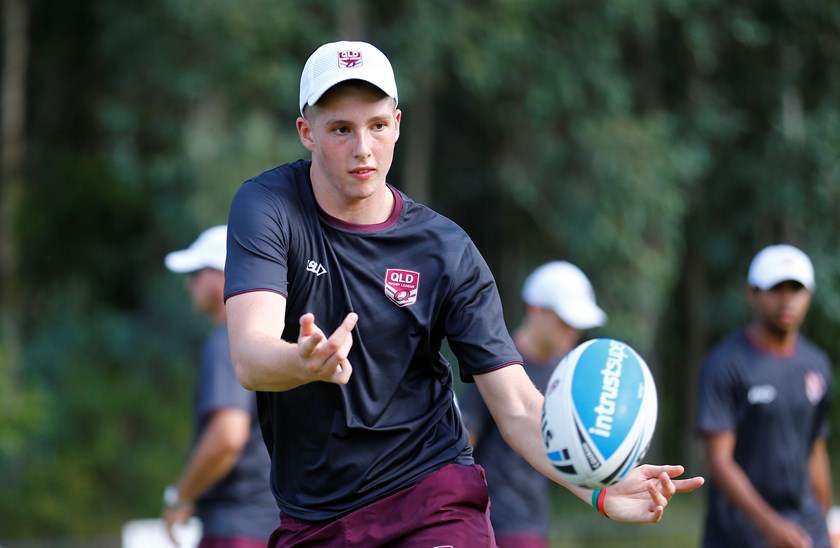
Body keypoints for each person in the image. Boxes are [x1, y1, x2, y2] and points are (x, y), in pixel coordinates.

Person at [223, 40, 704, 547]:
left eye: (377, 126)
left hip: (430, 497)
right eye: (341, 129)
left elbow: (517, 407)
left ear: (398, 125)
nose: (363, 147)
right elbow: (251, 355)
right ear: (307, 133)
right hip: (315, 518)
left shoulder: (446, 250)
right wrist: (303, 361)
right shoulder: (267, 206)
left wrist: (599, 486)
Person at [460, 260, 607, 548]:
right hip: (495, 525)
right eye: (565, 321)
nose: (572, 332)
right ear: (536, 309)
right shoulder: (497, 366)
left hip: (536, 524)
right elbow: (466, 440)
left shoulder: (565, 373)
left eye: (578, 325)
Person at [695, 244, 833, 548]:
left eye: (795, 289)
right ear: (752, 293)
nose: (787, 299)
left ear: (808, 296)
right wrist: (770, 525)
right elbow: (718, 459)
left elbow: (815, 449)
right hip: (739, 534)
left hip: (805, 530)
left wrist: (823, 524)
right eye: (775, 289)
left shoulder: (817, 364)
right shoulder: (725, 365)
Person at [162, 225, 277, 548]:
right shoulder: (274, 340)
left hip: (236, 528)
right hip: (278, 524)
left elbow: (228, 434)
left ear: (223, 275)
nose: (189, 284)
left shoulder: (225, 340)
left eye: (197, 272)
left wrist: (180, 496)